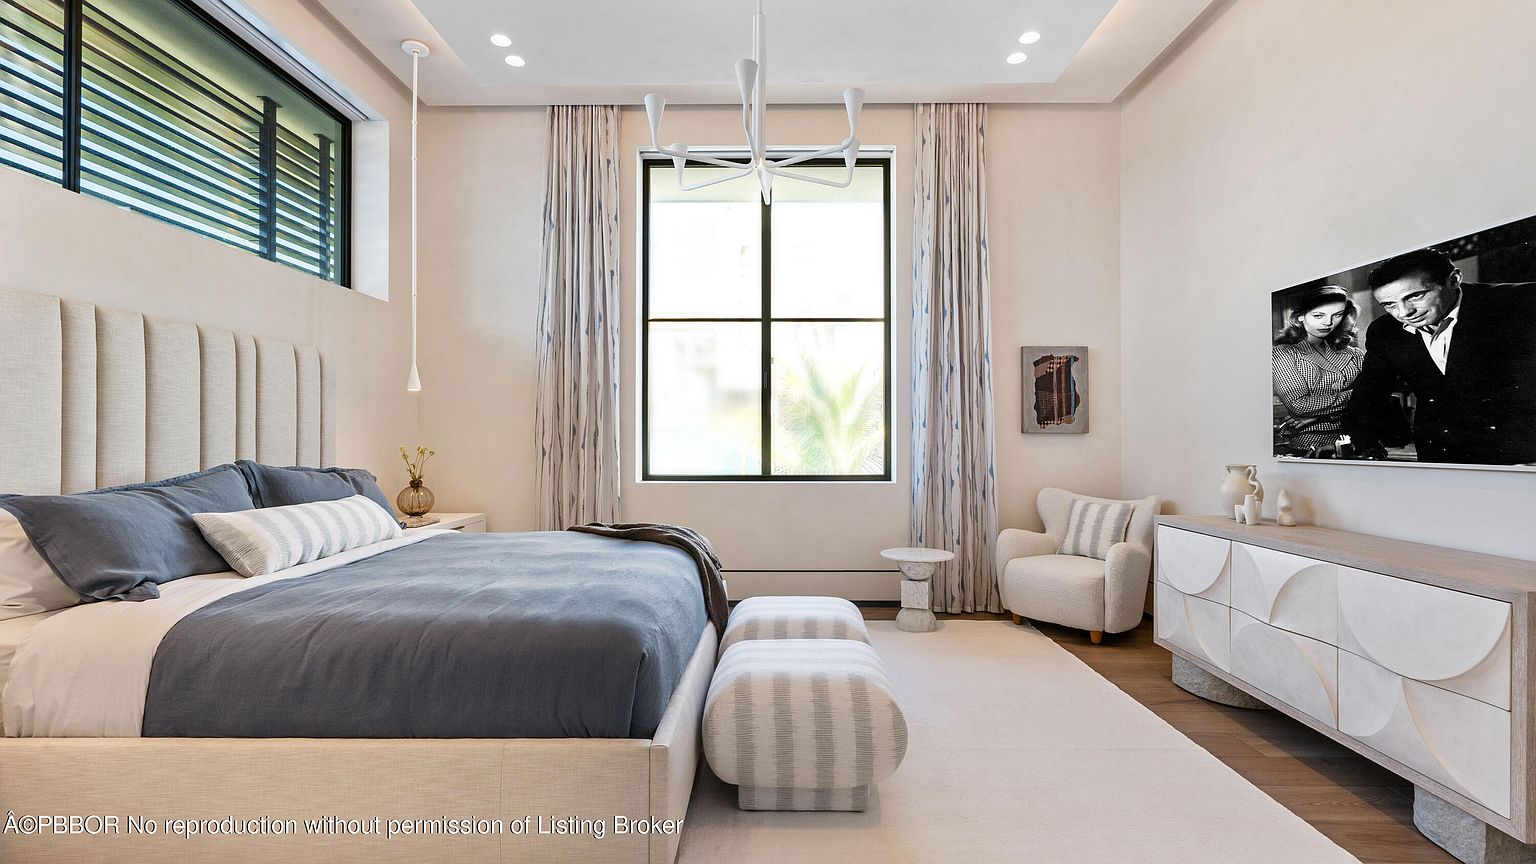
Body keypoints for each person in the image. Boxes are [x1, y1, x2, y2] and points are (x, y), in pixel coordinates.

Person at [1343, 247, 1536, 464]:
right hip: (1440, 451)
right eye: (1389, 304)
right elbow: (1368, 394)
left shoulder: (1521, 303)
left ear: (1453, 279)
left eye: (1415, 296)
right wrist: (1362, 444)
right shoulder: (1385, 330)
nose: (1404, 313)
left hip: (1518, 450)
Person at [1272, 285, 1365, 455]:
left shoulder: (1355, 355)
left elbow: (1376, 400)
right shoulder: (1283, 353)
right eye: (1318, 315)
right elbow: (1299, 406)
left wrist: (1320, 415)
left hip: (1359, 442)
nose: (1328, 323)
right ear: (1300, 317)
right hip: (1310, 446)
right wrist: (1357, 394)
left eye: (1336, 315)